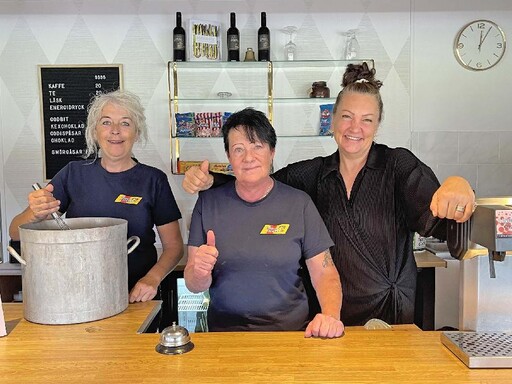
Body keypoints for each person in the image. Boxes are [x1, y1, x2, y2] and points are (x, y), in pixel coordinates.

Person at [182, 63, 476, 326]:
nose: (355, 128)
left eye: (367, 120)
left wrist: (461, 186)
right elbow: (258, 181)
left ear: (377, 125)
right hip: (327, 317)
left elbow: (444, 214)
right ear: (333, 120)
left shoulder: (398, 165)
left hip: (389, 313)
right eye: (347, 117)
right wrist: (211, 182)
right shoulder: (312, 174)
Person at [9, 90, 184, 330]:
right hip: (77, 296)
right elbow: (15, 232)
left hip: (136, 297)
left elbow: (174, 247)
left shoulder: (153, 180)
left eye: (125, 123)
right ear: (94, 131)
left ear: (137, 132)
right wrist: (35, 212)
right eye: (106, 122)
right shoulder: (73, 174)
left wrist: (151, 280)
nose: (115, 131)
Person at [184, 107, 344, 338]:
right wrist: (199, 272)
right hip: (223, 336)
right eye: (239, 149)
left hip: (290, 335)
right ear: (229, 157)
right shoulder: (208, 203)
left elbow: (325, 273)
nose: (248, 158)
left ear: (272, 152)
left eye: (257, 146)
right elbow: (193, 284)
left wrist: (330, 316)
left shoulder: (299, 204)